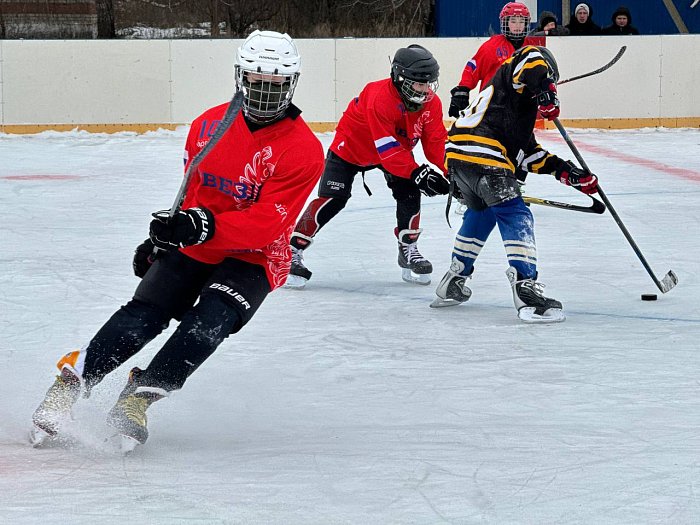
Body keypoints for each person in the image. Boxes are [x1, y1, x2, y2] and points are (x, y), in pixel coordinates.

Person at [30, 30, 325, 451]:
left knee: (209, 322)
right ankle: (72, 382)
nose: (265, 93)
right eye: (257, 81)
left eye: (276, 84)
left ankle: (140, 396)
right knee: (145, 314)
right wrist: (165, 239)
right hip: (197, 243)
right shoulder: (208, 125)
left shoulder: (303, 150)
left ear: (291, 84)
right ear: (241, 77)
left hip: (256, 256)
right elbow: (192, 191)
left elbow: (268, 223)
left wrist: (202, 225)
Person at [431, 45, 599, 323]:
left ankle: (454, 278)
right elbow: (530, 56)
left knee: (483, 212)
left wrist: (569, 173)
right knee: (516, 214)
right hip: (484, 154)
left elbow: (528, 154)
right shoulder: (513, 74)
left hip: (458, 159)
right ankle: (525, 288)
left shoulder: (509, 109)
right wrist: (545, 88)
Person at [285, 44, 449, 289]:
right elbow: (388, 150)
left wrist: (453, 171)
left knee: (409, 191)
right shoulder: (378, 97)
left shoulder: (431, 104)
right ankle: (292, 250)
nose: (426, 91)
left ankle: (408, 247)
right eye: (419, 84)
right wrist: (417, 172)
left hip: (393, 150)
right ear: (400, 78)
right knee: (333, 199)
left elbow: (436, 142)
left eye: (429, 84)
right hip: (351, 149)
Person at [448, 2, 536, 119]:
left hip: (520, 106)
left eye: (521, 21)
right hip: (492, 104)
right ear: (505, 23)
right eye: (513, 21)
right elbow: (473, 66)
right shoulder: (492, 46)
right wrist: (463, 90)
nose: (518, 25)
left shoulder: (532, 47)